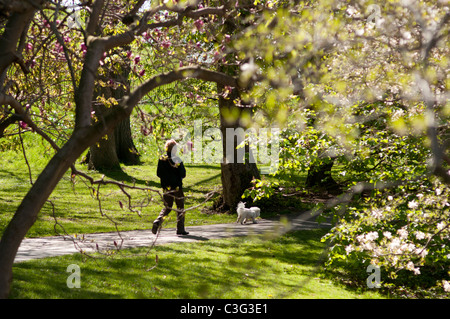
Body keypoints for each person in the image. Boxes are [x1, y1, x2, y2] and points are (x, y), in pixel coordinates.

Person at [152, 139, 189, 235]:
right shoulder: (177, 159)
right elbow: (183, 173)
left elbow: (158, 173)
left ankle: (158, 221)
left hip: (166, 187)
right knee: (180, 207)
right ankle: (180, 229)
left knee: (167, 207)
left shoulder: (162, 159)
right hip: (176, 186)